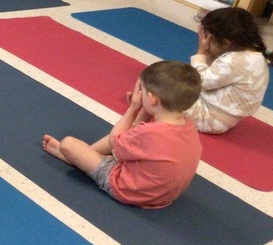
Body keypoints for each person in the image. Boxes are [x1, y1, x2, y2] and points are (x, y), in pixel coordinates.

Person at [42, 60, 202, 209]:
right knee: (127, 140)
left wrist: (133, 108)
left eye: (142, 91)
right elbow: (136, 135)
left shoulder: (151, 133)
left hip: (127, 189)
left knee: (68, 144)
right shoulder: (189, 126)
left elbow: (115, 139)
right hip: (164, 197)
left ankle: (76, 158)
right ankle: (87, 155)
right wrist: (145, 109)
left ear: (152, 99)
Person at [183, 7, 273, 134]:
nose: (204, 42)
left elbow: (198, 81)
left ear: (224, 43)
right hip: (223, 119)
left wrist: (201, 52)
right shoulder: (255, 55)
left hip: (208, 119)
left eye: (207, 39)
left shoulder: (235, 60)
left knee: (158, 87)